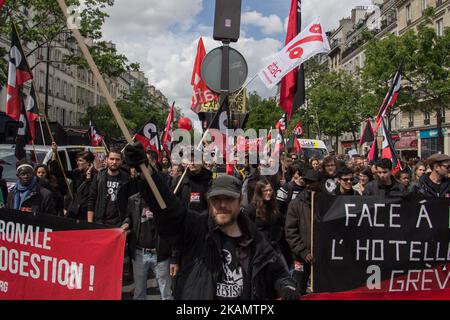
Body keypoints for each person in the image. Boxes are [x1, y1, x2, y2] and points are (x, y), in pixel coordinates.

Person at [124, 142, 300, 300]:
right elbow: (168, 209)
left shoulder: (253, 236)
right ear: (209, 202)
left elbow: (276, 270)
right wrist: (147, 172)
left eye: (228, 199)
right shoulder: (197, 227)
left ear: (240, 202)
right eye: (216, 199)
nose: (222, 205)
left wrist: (287, 285)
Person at [121, 192, 177, 300]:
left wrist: (174, 257)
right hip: (139, 253)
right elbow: (129, 217)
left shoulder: (164, 200)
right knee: (139, 291)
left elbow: (173, 228)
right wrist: (126, 223)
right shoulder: (133, 200)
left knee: (165, 292)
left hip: (160, 254)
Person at [285, 169, 321, 295]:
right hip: (301, 257)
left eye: (313, 182)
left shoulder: (327, 203)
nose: (310, 185)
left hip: (321, 257)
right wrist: (303, 252)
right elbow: (290, 232)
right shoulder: (296, 204)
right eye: (307, 182)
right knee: (298, 289)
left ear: (319, 183)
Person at [242, 178, 288, 269]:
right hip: (259, 251)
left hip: (274, 248)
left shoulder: (273, 208)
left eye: (270, 190)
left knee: (285, 272)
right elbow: (244, 230)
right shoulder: (251, 209)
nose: (268, 193)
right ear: (259, 192)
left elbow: (285, 224)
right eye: (265, 190)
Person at [87, 148, 137, 226]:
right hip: (100, 223)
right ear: (107, 160)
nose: (114, 162)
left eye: (117, 159)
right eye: (112, 159)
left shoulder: (127, 179)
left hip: (120, 224)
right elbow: (91, 200)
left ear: (121, 161)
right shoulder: (98, 177)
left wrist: (127, 222)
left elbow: (132, 203)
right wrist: (90, 223)